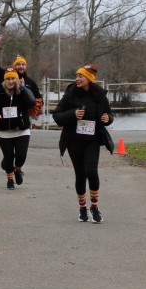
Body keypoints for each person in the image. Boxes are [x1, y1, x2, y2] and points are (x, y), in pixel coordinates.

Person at [52, 63, 115, 223]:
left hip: (92, 140)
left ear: (89, 78)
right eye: (77, 76)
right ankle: (82, 209)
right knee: (80, 174)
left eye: (81, 76)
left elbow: (109, 115)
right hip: (74, 141)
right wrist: (73, 114)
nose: (77, 79)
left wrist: (108, 118)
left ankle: (94, 207)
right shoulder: (70, 94)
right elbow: (57, 116)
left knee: (92, 171)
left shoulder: (99, 95)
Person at [0, 69, 36, 190]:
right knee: (8, 157)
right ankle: (10, 179)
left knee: (21, 156)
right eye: (8, 79)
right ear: (4, 80)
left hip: (21, 130)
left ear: (17, 80)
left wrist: (23, 89)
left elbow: (32, 103)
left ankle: (17, 169)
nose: (11, 81)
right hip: (3, 132)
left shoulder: (22, 91)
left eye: (13, 78)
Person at [0, 35, 43, 117]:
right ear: (14, 66)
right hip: (4, 118)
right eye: (18, 64)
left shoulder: (31, 83)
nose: (21, 66)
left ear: (26, 66)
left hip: (22, 120)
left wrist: (34, 108)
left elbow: (38, 100)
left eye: (23, 64)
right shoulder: (5, 76)